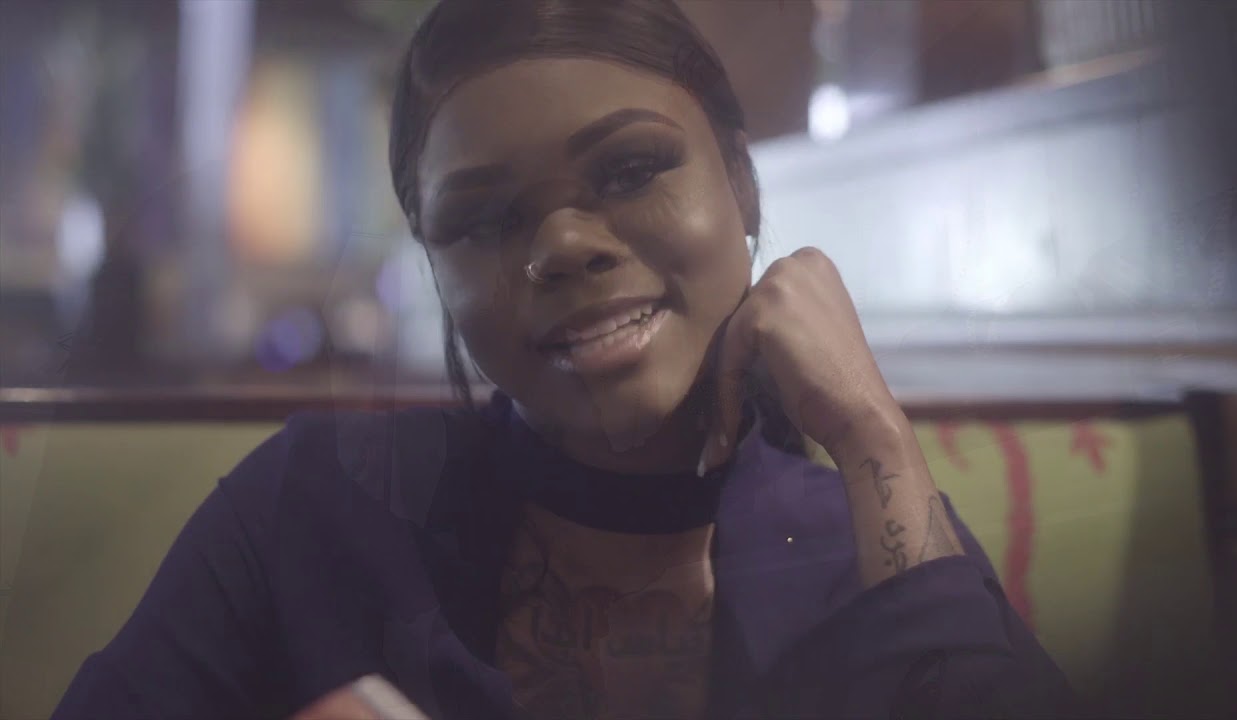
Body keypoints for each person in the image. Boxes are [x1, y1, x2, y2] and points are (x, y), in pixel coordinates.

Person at [53, 1, 1082, 718]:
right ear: (435, 269)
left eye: (630, 169)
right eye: (484, 219)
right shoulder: (308, 512)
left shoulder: (871, 538)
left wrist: (873, 438)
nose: (563, 247)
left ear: (741, 184)